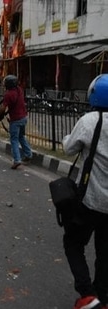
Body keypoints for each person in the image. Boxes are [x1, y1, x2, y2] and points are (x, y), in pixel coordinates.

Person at [60, 74, 108, 309]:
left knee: (73, 243)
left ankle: (88, 294)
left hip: (90, 199)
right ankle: (102, 298)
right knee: (105, 252)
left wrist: (69, 138)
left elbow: (69, 148)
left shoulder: (90, 120)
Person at [0, 75, 33, 169]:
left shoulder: (8, 94)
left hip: (15, 119)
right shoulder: (19, 90)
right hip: (23, 117)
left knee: (14, 139)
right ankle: (28, 154)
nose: (3, 84)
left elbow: (3, 108)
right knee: (21, 137)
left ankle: (17, 160)